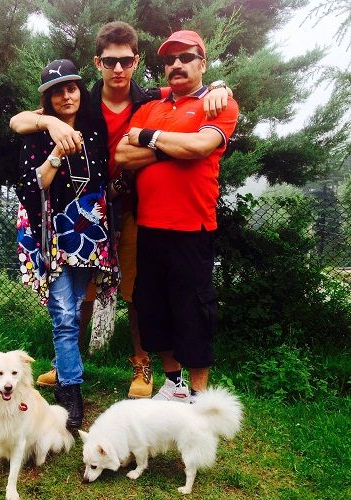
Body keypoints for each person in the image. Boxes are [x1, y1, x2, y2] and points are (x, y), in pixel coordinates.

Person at [10, 22, 230, 399]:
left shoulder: (148, 100)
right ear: (97, 62)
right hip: (83, 209)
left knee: (134, 290)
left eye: (125, 61)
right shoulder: (83, 98)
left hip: (132, 207)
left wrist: (220, 88)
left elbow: (191, 96)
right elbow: (19, 121)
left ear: (136, 61)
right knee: (80, 290)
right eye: (110, 61)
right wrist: (46, 119)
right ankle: (67, 362)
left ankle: (142, 366)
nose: (118, 69)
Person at [115, 30, 239, 402]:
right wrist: (178, 148)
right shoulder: (152, 104)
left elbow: (203, 145)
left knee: (194, 312)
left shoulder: (218, 104)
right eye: (170, 60)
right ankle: (174, 385)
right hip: (150, 226)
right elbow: (122, 155)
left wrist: (149, 139)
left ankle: (199, 396)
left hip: (192, 228)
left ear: (202, 63)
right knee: (156, 307)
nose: (176, 65)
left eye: (186, 58)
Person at [14, 59, 118, 429]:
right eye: (57, 91)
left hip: (86, 231)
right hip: (50, 231)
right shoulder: (36, 134)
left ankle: (62, 371)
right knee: (64, 313)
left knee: (74, 306)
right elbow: (32, 185)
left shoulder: (93, 128)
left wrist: (216, 85)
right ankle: (71, 391)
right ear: (47, 98)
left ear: (80, 90)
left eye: (71, 87)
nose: (66, 95)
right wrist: (55, 146)